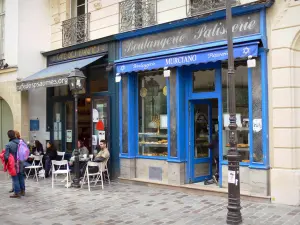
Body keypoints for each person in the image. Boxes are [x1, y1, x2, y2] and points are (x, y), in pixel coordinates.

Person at [4, 130, 25, 198]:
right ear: (14, 135)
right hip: (21, 162)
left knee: (15, 178)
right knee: (21, 176)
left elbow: (6, 156)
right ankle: (22, 191)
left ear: (8, 136)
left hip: (13, 164)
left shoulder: (8, 145)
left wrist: (6, 164)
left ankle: (17, 192)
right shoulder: (21, 142)